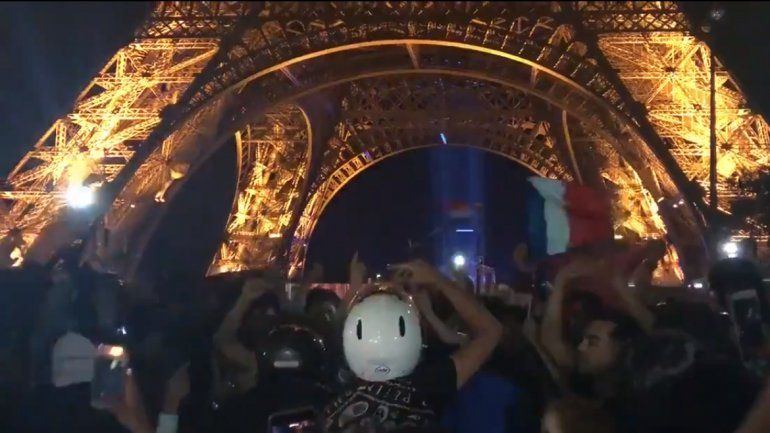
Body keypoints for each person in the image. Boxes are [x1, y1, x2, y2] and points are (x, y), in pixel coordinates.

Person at [324, 260, 502, 432]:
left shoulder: (338, 382)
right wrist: (438, 279)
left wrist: (355, 289)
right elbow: (491, 331)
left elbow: (334, 327)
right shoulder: (431, 382)